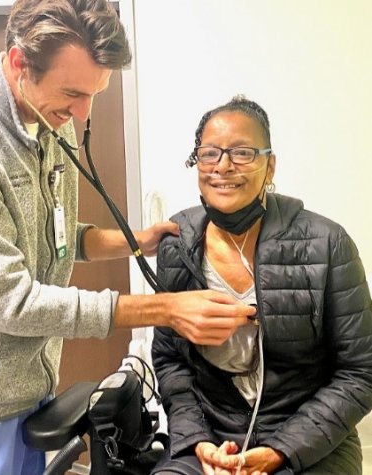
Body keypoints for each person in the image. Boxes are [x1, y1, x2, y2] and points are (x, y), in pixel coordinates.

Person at [0, 2, 257, 474]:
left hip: (31, 381)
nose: (82, 112)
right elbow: (11, 302)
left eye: (95, 93)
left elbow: (46, 237)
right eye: (72, 92)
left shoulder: (48, 119)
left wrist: (131, 240)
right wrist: (165, 309)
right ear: (18, 64)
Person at [151, 95, 372, 475]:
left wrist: (280, 451)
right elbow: (171, 361)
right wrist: (196, 441)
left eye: (242, 153)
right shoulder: (177, 243)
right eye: (210, 153)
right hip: (210, 433)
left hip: (307, 437)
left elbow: (361, 371)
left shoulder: (326, 242)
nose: (223, 166)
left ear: (270, 165)